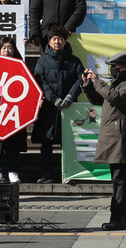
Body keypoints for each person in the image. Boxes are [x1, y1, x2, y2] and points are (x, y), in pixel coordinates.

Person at [81, 52, 126, 231]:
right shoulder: (116, 84)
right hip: (115, 139)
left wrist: (98, 81)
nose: (112, 69)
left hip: (121, 139)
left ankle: (117, 219)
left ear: (123, 67)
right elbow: (99, 99)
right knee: (119, 181)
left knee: (120, 181)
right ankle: (124, 219)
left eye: (114, 66)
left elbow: (115, 97)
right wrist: (88, 85)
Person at [32, 25, 83, 184]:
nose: (57, 42)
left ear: (65, 41)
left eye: (60, 39)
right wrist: (53, 98)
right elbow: (40, 81)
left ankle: (69, 174)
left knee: (68, 142)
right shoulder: (43, 60)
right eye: (54, 39)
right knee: (46, 142)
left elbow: (80, 79)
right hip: (48, 107)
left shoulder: (74, 60)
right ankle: (47, 174)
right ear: (50, 41)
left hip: (69, 108)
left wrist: (70, 96)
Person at [0, 38, 27, 184]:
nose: (6, 51)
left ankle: (13, 171)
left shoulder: (22, 67)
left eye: (9, 48)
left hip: (14, 111)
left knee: (13, 144)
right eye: (3, 48)